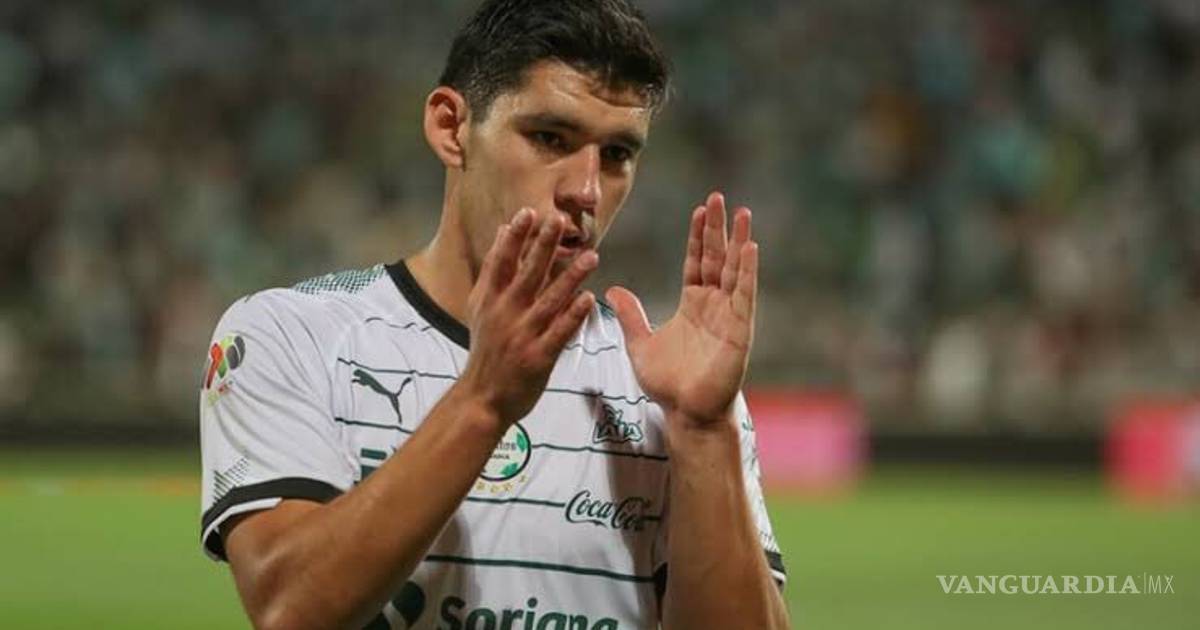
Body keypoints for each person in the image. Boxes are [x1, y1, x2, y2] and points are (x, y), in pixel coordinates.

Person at [198, 1, 790, 628]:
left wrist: (703, 431)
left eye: (617, 153)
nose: (586, 190)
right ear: (451, 127)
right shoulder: (291, 336)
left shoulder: (667, 387)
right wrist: (482, 400)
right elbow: (290, 610)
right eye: (550, 138)